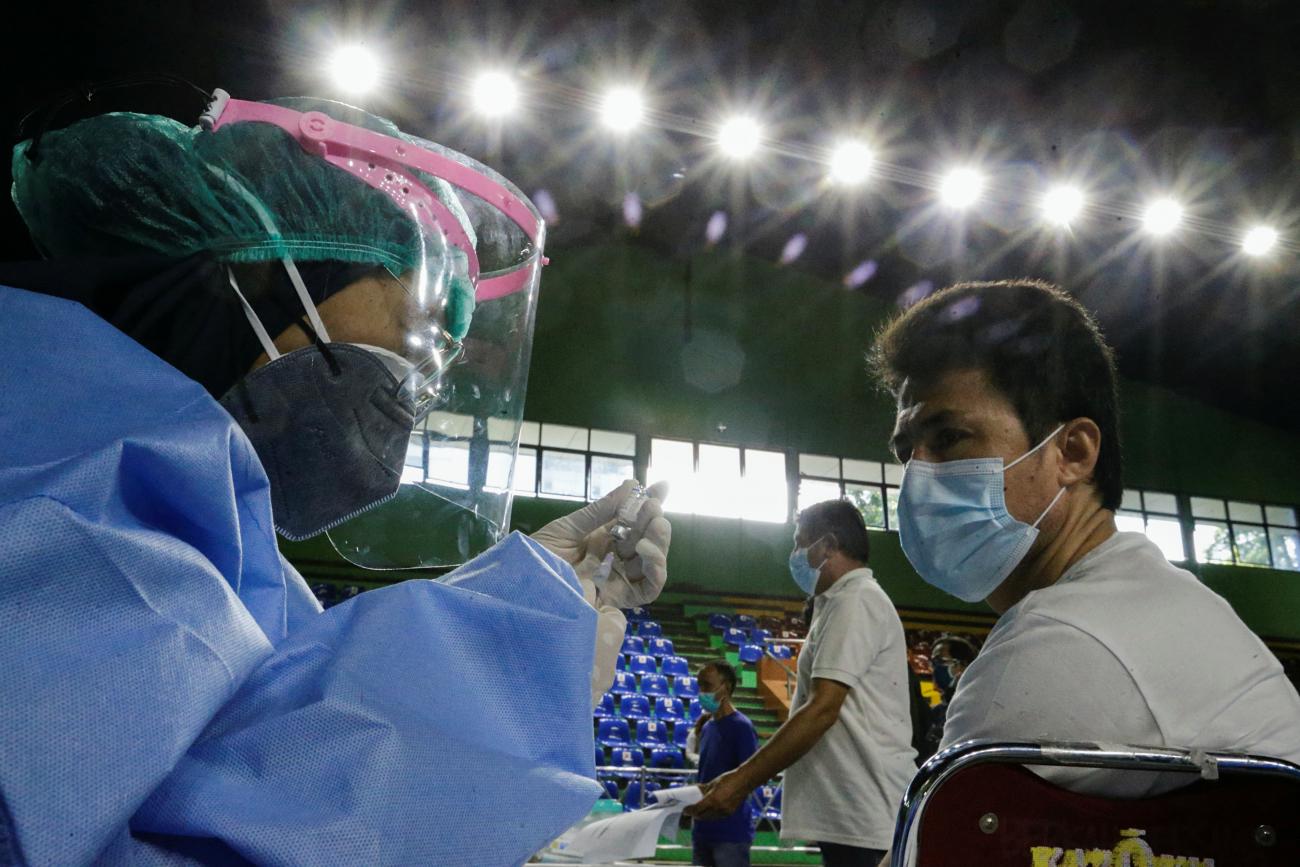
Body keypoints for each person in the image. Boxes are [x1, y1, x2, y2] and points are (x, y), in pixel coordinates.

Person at [0, 87, 672, 865]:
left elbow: (261, 770)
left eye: (435, 371)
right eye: (410, 340)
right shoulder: (51, 513)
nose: (414, 394)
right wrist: (505, 657)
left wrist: (532, 614)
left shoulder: (209, 544)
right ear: (250, 277)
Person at [870, 279, 1300, 798]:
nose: (918, 478)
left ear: (1072, 452)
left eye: (948, 438)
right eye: (905, 451)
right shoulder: (1161, 600)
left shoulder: (1059, 643)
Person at [688, 500, 916, 867]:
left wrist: (741, 782)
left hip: (865, 811)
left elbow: (823, 709)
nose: (795, 554)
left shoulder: (857, 599)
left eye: (799, 542)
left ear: (826, 545)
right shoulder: (835, 603)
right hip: (848, 810)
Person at [690, 660, 760, 867]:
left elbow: (750, 778)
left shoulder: (742, 728)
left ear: (726, 688)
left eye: (707, 686)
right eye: (700, 686)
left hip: (730, 832)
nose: (702, 692)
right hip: (703, 830)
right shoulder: (708, 727)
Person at [915, 635, 977, 763]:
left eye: (940, 661)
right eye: (932, 662)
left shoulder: (974, 708)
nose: (934, 667)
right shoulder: (936, 711)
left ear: (963, 665)